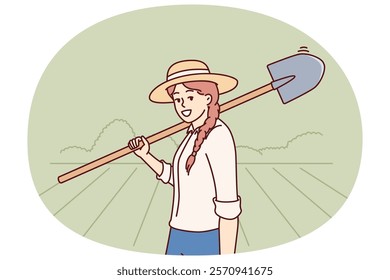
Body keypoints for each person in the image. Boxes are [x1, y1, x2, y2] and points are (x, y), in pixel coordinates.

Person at [128, 59, 241, 255]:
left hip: (206, 237)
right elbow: (179, 178)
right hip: (178, 233)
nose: (182, 105)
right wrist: (145, 155)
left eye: (190, 97)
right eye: (177, 99)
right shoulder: (191, 135)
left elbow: (228, 206)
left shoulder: (219, 136)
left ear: (207, 97)